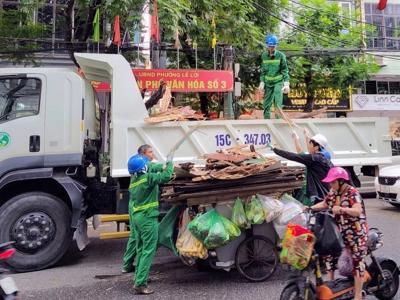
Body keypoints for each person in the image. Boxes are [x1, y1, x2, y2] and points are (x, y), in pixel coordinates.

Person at [311, 167, 368, 300]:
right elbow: (325, 204)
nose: (330, 185)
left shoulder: (352, 193)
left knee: (357, 261)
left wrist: (342, 209)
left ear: (341, 181)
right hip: (341, 232)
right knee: (328, 253)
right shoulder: (333, 192)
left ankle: (358, 295)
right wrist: (309, 207)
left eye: (333, 182)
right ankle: (331, 286)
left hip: (356, 234)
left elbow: (357, 211)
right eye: (330, 183)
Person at [126, 153, 173, 295]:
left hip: (138, 218)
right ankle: (140, 284)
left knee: (141, 248)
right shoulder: (147, 179)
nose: (148, 165)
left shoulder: (134, 180)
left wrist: (159, 165)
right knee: (148, 250)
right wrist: (169, 163)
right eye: (145, 164)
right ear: (143, 168)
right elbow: (165, 176)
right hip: (147, 219)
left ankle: (139, 277)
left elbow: (151, 169)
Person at [271, 133, 333, 203]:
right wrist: (298, 139)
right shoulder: (325, 158)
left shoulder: (313, 159)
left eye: (310, 144)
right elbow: (301, 154)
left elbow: (293, 156)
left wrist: (275, 149)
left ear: (316, 147)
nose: (308, 146)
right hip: (324, 194)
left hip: (317, 196)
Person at [292, 129, 332, 206]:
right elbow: (311, 152)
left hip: (315, 188)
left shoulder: (319, 157)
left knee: (308, 208)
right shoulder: (324, 154)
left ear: (317, 146)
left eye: (311, 143)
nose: (309, 146)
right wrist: (306, 136)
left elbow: (301, 153)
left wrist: (296, 140)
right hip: (319, 187)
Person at [258, 34, 290, 119]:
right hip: (268, 83)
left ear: (276, 45)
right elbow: (263, 71)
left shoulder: (281, 56)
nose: (271, 48)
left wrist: (286, 83)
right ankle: (266, 122)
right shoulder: (264, 56)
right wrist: (262, 82)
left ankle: (278, 121)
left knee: (277, 101)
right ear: (267, 45)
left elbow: (284, 70)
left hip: (278, 82)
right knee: (266, 104)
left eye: (273, 46)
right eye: (270, 46)